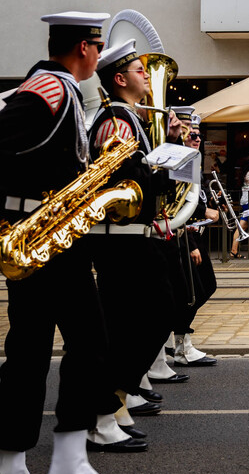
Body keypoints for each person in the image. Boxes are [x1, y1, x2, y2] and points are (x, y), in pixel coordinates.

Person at [0, 11, 128, 474]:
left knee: (89, 345)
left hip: (56, 241)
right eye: (98, 45)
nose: (99, 54)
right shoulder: (48, 90)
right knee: (29, 354)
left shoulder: (67, 94)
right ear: (85, 48)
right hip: (37, 239)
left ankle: (69, 465)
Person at [87, 40, 185, 439]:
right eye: (139, 69)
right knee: (152, 315)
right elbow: (126, 180)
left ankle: (114, 403)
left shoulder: (129, 119)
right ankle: (105, 405)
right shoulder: (116, 120)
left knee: (134, 321)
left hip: (128, 238)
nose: (146, 74)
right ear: (119, 78)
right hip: (120, 239)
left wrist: (171, 148)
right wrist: (169, 171)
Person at [171, 122, 219, 367]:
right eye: (192, 135)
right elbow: (177, 205)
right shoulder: (180, 162)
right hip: (184, 235)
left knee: (205, 287)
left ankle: (178, 340)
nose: (197, 139)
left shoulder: (193, 161)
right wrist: (191, 243)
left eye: (200, 136)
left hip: (194, 234)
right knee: (194, 292)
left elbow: (194, 198)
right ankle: (180, 344)